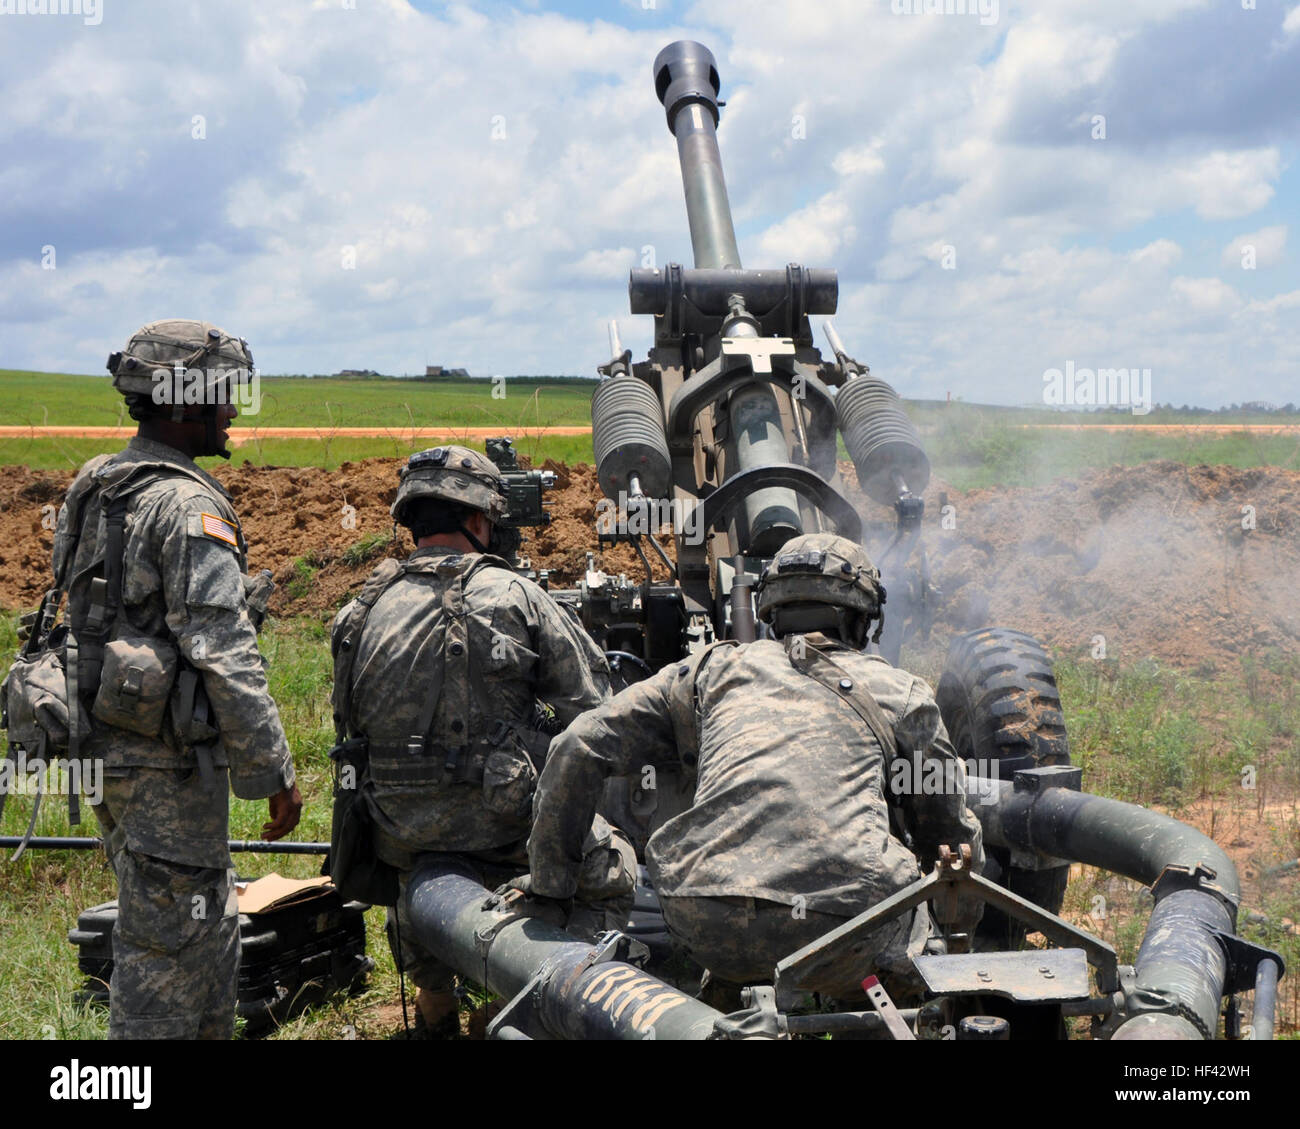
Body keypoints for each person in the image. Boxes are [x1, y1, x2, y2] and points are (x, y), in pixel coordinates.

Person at [528, 531, 984, 1000]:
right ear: (863, 621)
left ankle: (729, 995)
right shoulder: (901, 693)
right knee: (915, 930)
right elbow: (950, 839)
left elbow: (579, 743)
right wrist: (960, 928)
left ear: (770, 611)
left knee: (744, 926)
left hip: (702, 916)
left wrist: (550, 891)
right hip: (844, 928)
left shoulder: (705, 672)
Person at [330, 445, 634, 1038]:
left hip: (395, 829)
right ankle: (562, 992)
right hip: (498, 829)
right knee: (613, 867)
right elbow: (597, 713)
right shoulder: (514, 595)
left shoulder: (357, 610)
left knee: (412, 874)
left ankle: (433, 1001)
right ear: (477, 519)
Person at [58, 320, 300, 1038]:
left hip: (101, 749)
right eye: (225, 395)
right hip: (164, 763)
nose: (233, 410)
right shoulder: (190, 506)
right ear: (186, 401)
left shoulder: (95, 482)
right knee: (166, 956)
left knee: (193, 931)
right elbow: (223, 647)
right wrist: (274, 770)